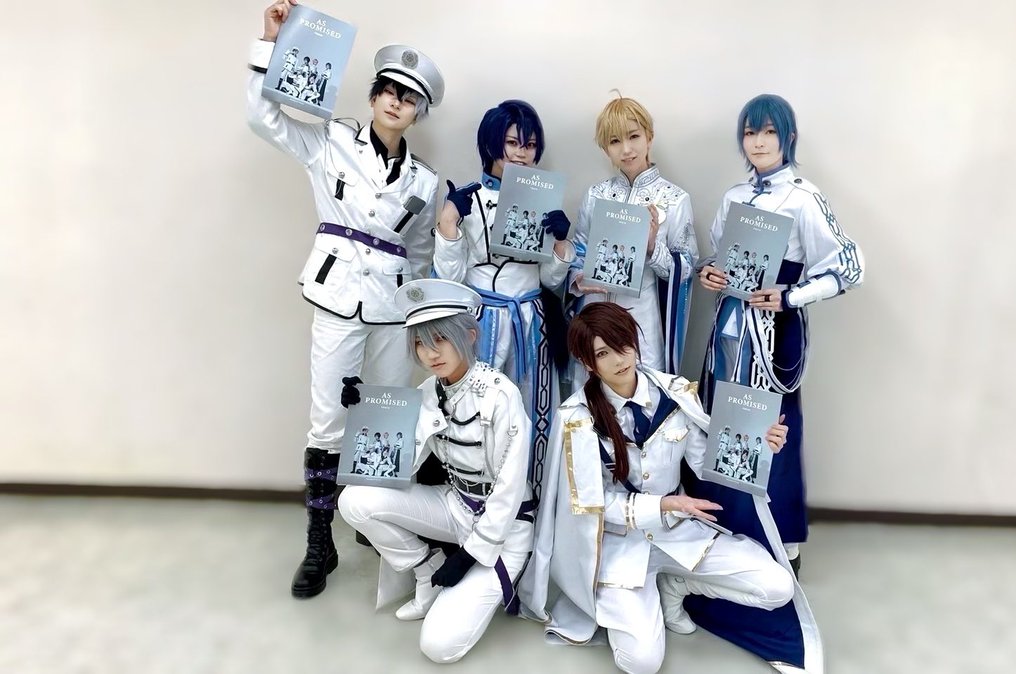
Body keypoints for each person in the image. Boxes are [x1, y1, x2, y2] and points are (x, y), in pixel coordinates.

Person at [246, 0, 444, 598]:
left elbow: (419, 253)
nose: (395, 103)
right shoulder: (330, 141)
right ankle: (319, 541)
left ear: (418, 111)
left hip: (390, 308)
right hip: (337, 299)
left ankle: (373, 519)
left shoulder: (425, 181)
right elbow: (264, 118)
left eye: (408, 98)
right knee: (329, 421)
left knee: (384, 415)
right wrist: (269, 44)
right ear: (374, 95)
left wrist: (419, 318)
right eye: (388, 91)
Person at [686, 92, 866, 671]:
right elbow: (718, 258)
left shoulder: (804, 197)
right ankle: (727, 525)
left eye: (768, 132)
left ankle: (782, 538)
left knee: (775, 430)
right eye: (749, 133)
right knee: (722, 420)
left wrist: (790, 296)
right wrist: (711, 275)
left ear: (787, 138)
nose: (758, 142)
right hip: (730, 326)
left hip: (773, 330)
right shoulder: (735, 197)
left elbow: (848, 266)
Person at [520, 302, 794, 674]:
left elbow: (705, 462)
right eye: (603, 353)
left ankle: (675, 586)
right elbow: (590, 505)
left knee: (778, 587)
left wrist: (760, 446)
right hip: (618, 546)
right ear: (588, 363)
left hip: (678, 532)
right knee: (641, 663)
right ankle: (634, 600)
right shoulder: (577, 419)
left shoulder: (675, 393)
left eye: (623, 344)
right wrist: (662, 504)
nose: (619, 359)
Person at [340, 279, 534, 664]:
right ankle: (425, 568)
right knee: (353, 501)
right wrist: (365, 412)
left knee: (438, 647)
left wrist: (470, 555)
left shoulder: (501, 395)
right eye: (419, 343)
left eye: (440, 339)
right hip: (455, 505)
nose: (429, 353)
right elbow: (402, 464)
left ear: (469, 335)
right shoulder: (430, 391)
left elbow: (510, 489)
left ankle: (476, 574)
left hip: (503, 528)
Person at [432, 100, 576, 500]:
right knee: (479, 413)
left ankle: (532, 501)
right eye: (512, 143)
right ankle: (477, 500)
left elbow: (550, 279)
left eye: (529, 145)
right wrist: (448, 223)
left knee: (533, 411)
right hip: (482, 322)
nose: (521, 153)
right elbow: (449, 278)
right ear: (491, 143)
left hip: (533, 322)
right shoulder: (467, 199)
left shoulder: (546, 200)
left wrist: (561, 242)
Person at [568, 95, 697, 387]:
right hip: (593, 314)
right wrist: (578, 279)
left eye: (634, 136)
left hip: (642, 320)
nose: (626, 149)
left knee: (642, 396)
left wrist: (652, 248)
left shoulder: (675, 199)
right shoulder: (595, 195)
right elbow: (579, 251)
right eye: (615, 141)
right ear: (605, 149)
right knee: (591, 398)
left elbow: (687, 267)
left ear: (649, 137)